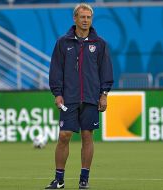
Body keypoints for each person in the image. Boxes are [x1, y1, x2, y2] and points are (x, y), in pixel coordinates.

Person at [46, 3, 113, 189]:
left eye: (88, 17)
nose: (85, 21)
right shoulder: (63, 42)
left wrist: (104, 94)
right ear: (75, 18)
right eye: (82, 17)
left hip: (91, 98)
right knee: (64, 136)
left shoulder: (99, 44)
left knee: (87, 136)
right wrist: (57, 93)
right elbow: (56, 69)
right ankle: (59, 179)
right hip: (69, 98)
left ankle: (84, 179)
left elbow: (105, 71)